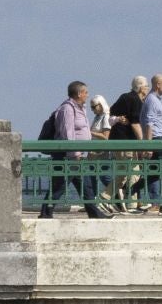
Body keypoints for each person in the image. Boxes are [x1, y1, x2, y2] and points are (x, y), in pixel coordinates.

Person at [39, 81, 112, 219]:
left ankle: (94, 213)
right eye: (85, 92)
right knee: (59, 185)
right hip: (68, 155)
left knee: (86, 186)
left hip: (78, 155)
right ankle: (45, 213)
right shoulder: (67, 109)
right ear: (79, 93)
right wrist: (74, 153)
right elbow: (68, 132)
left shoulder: (80, 108)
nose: (87, 95)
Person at [106, 75, 148, 212]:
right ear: (141, 87)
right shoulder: (134, 99)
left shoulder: (126, 97)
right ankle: (106, 199)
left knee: (129, 172)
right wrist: (144, 144)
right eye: (146, 86)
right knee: (128, 173)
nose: (148, 88)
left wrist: (117, 118)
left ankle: (130, 203)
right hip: (126, 142)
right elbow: (135, 124)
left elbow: (111, 111)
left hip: (122, 141)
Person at [140, 73, 162, 216]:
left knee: (154, 174)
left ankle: (126, 191)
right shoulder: (153, 100)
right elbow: (149, 123)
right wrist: (149, 146)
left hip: (157, 139)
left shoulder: (153, 100)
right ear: (157, 84)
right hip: (157, 140)